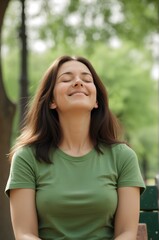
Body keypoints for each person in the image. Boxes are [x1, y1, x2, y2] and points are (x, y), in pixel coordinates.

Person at [5, 55, 145, 240]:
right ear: (51, 101)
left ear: (96, 101)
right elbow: (25, 234)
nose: (78, 82)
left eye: (87, 79)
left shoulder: (123, 157)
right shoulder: (26, 157)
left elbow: (126, 233)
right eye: (66, 79)